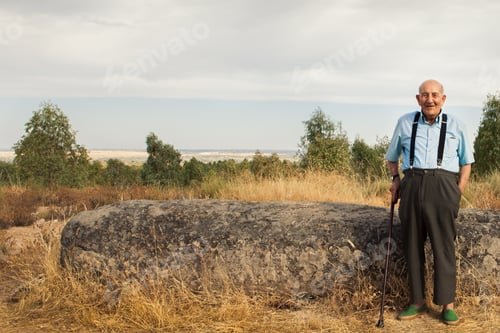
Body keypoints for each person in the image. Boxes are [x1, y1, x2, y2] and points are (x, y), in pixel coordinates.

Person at [385, 79, 474, 325]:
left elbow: (466, 162)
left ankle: (447, 305)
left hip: (443, 186)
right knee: (412, 245)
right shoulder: (404, 122)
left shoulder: (457, 124)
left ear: (443, 99)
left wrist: (457, 191)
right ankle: (417, 302)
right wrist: (395, 179)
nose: (430, 99)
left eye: (435, 94)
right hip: (412, 183)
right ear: (418, 99)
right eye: (425, 95)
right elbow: (392, 157)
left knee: (443, 246)